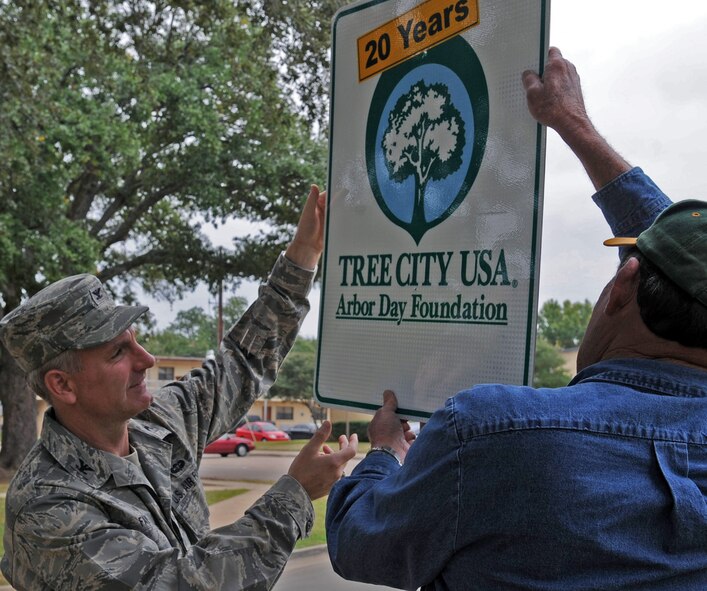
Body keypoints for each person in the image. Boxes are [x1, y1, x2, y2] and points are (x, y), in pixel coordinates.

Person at [326, 47, 707, 590]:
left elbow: (359, 542)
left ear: (622, 286)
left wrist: (385, 453)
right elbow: (687, 256)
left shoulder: (490, 431)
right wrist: (573, 126)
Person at [0, 185, 359, 590]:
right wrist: (293, 494)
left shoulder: (157, 425)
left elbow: (239, 365)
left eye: (136, 339)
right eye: (118, 353)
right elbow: (177, 584)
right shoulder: (46, 506)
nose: (147, 360)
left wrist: (304, 255)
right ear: (62, 385)